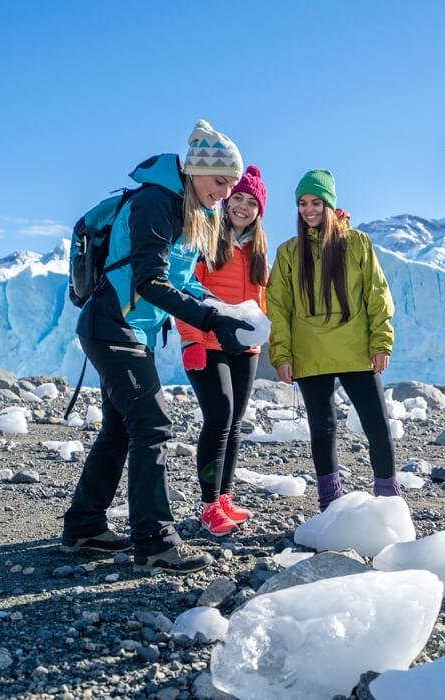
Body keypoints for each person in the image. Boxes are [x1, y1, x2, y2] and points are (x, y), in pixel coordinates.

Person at [61, 120, 252, 575]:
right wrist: (207, 319)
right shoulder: (155, 202)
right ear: (194, 171)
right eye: (220, 181)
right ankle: (156, 542)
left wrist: (224, 311)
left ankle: (84, 527)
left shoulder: (193, 211)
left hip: (133, 331)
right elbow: (149, 281)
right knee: (152, 426)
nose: (225, 193)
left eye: (232, 185)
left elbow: (182, 281)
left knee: (121, 429)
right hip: (113, 327)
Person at [265, 169, 400, 511]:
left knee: (377, 427)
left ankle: (388, 501)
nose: (308, 209)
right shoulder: (288, 253)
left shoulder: (356, 243)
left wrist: (381, 342)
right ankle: (330, 504)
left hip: (357, 351)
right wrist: (281, 354)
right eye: (302, 203)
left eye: (316, 202)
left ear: (330, 204)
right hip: (310, 355)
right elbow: (278, 307)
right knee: (322, 430)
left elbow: (376, 294)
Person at [174, 165, 270, 537]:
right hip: (208, 341)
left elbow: (261, 301)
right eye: (238, 198)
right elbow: (183, 290)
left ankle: (225, 496)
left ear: (259, 211)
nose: (243, 207)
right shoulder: (205, 237)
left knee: (234, 424)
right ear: (227, 199)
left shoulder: (257, 251)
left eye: (252, 202)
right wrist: (191, 340)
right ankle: (209, 504)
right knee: (219, 417)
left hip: (244, 347)